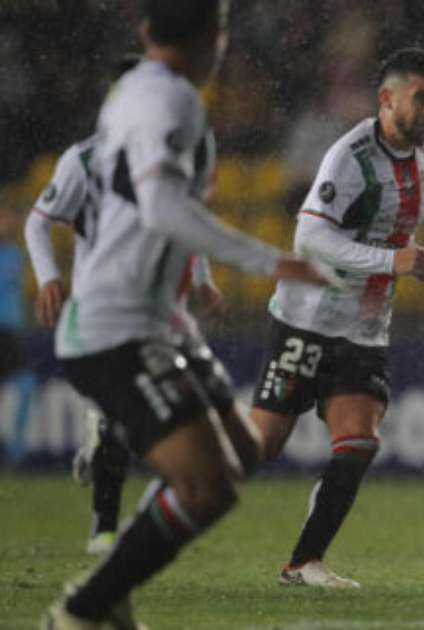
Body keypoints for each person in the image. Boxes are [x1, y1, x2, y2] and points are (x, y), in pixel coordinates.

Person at [43, 1, 330, 627]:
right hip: (115, 324)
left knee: (241, 454)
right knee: (208, 485)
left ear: (147, 31)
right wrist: (268, 260)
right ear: (216, 38)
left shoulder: (133, 93)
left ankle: (108, 581)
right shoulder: (169, 100)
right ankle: (87, 610)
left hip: (159, 320)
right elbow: (162, 210)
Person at [249, 47, 424, 589]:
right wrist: (395, 261)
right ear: (386, 98)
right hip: (306, 322)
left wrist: (419, 262)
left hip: (365, 330)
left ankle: (303, 564)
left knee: (359, 443)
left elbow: (394, 235)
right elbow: (311, 236)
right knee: (261, 447)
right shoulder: (351, 156)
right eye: (421, 98)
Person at [24, 54, 229, 557]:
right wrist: (50, 277)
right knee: (137, 421)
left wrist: (202, 279)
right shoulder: (86, 158)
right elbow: (38, 220)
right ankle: (105, 530)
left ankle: (119, 508)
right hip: (105, 310)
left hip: (163, 306)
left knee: (183, 426)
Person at [0, 207, 35, 466]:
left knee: (26, 385)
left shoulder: (17, 255)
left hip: (13, 333)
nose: (7, 223)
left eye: (8, 218)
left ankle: (17, 450)